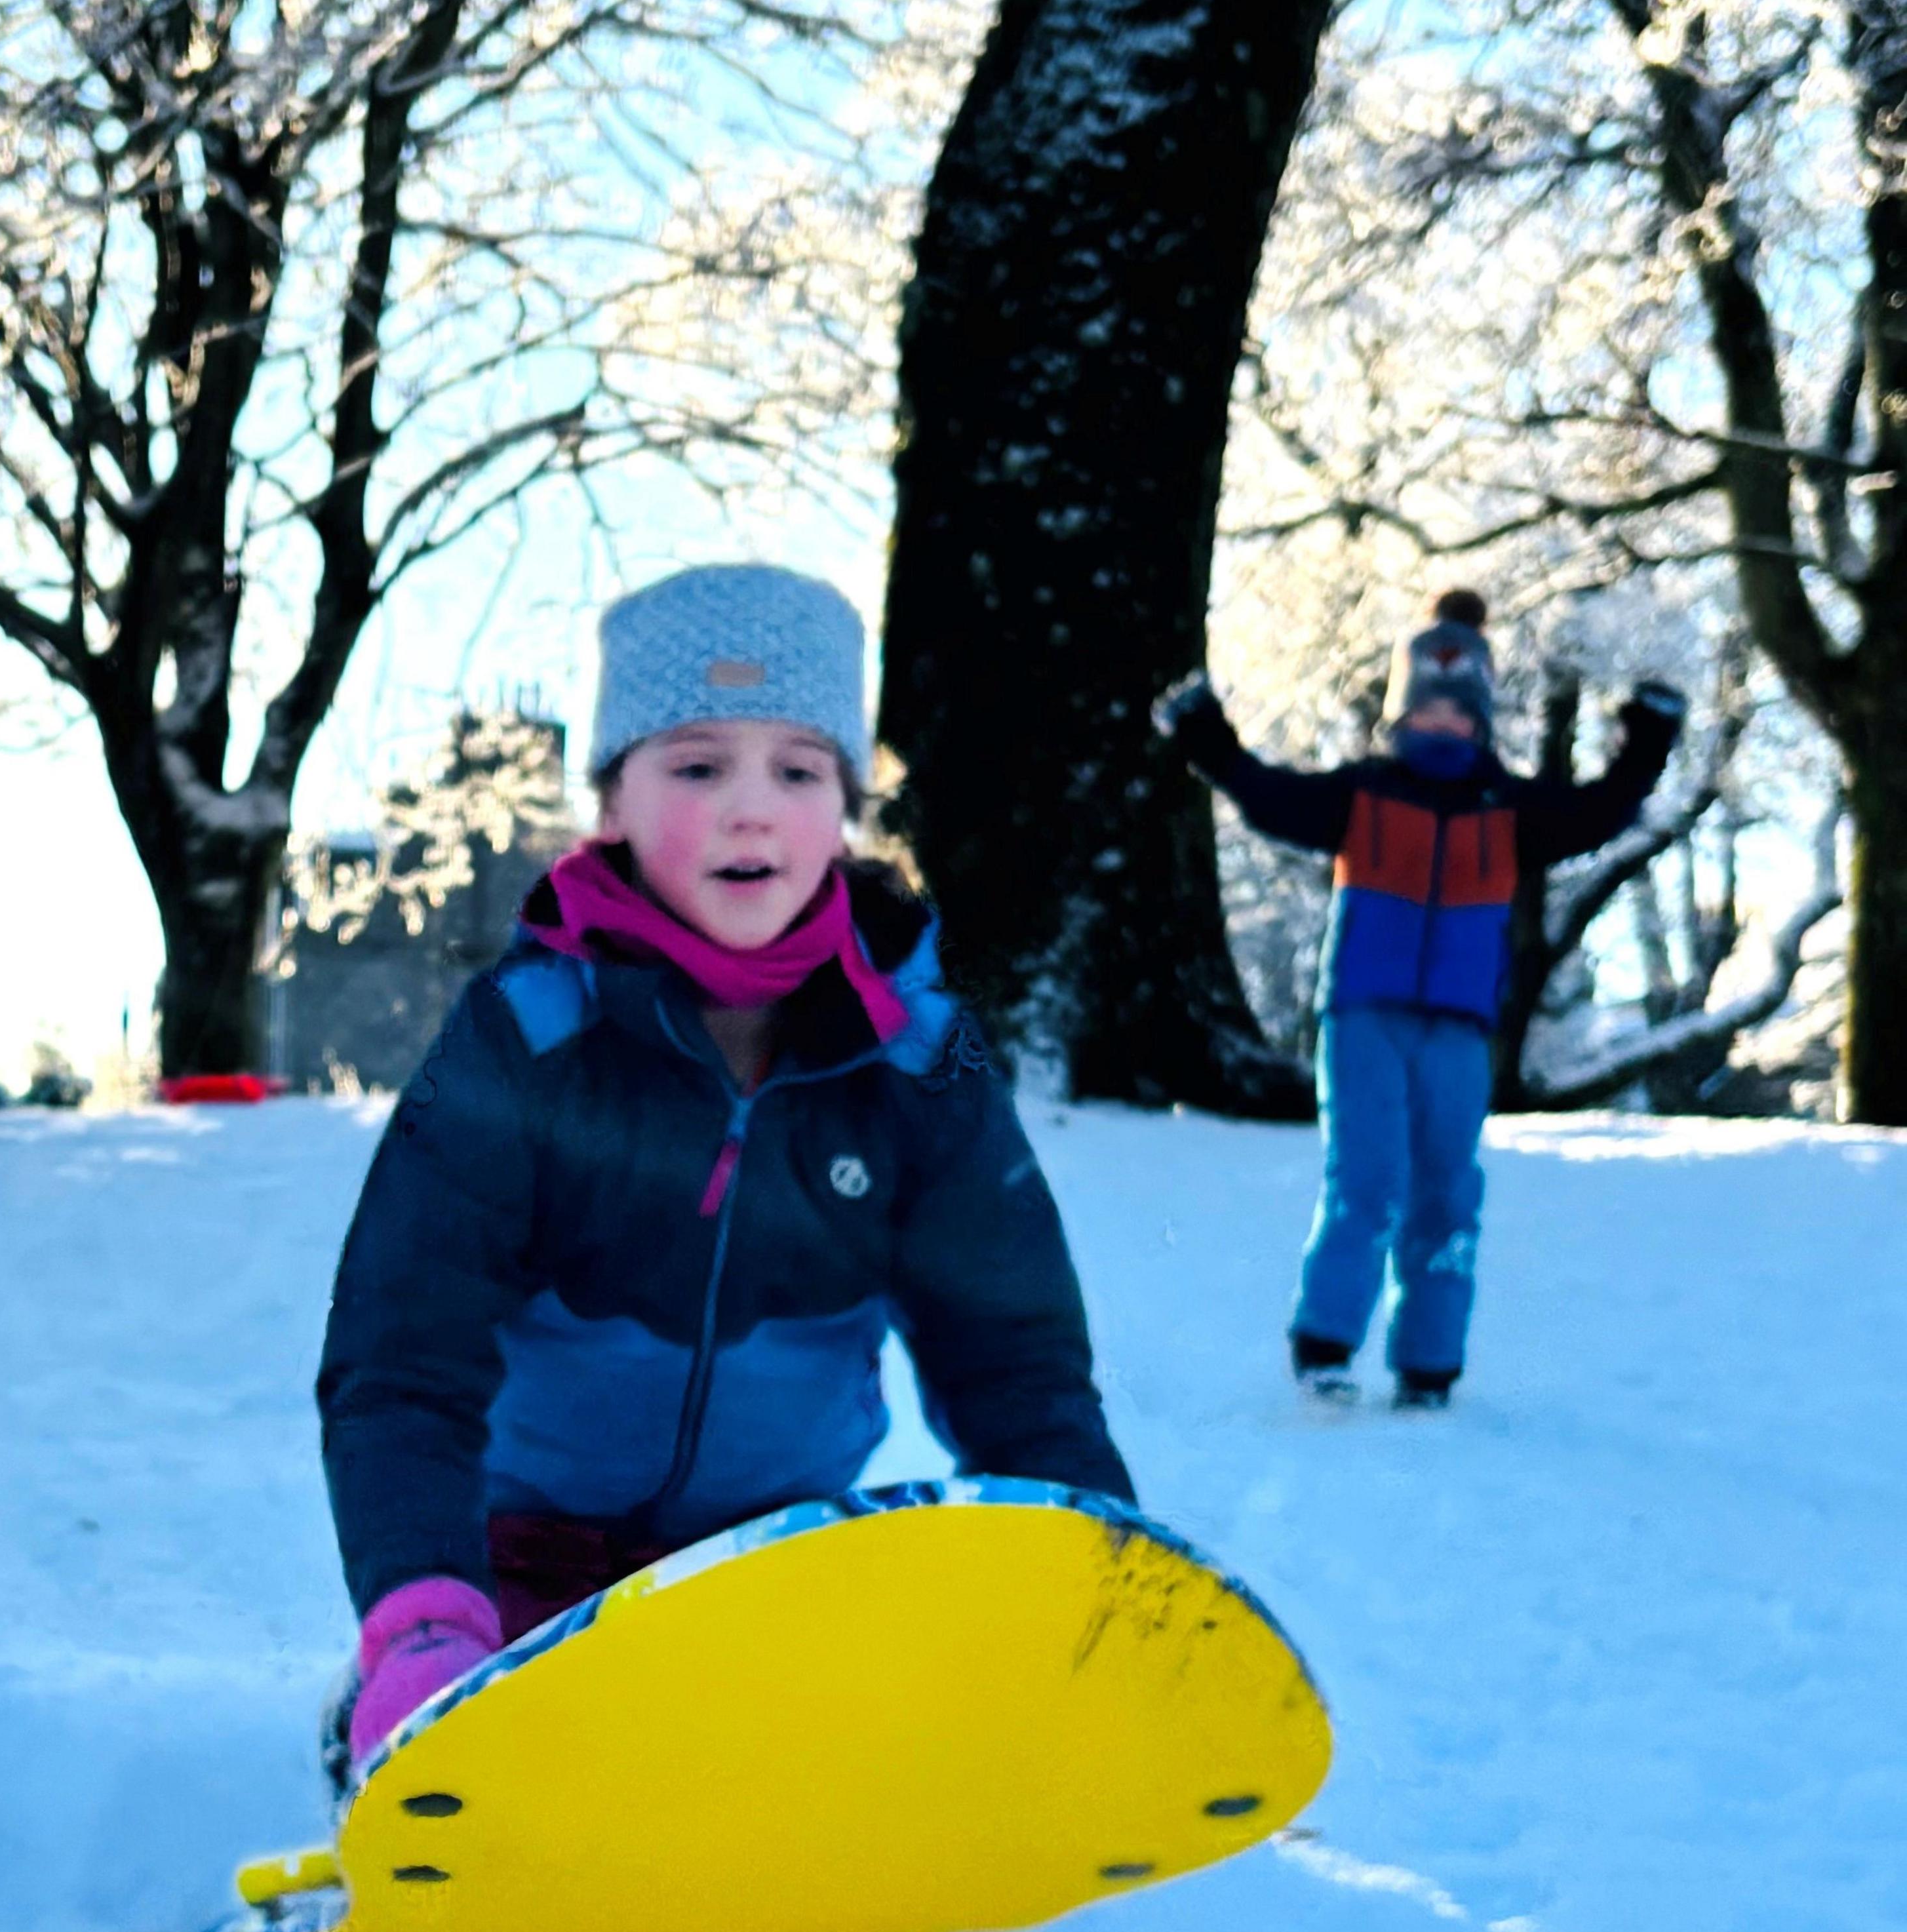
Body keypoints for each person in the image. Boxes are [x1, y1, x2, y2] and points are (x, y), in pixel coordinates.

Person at [316, 563, 1133, 1783]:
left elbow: (1012, 1357)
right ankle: (418, 1725)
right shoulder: (528, 1039)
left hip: (771, 1558)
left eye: (799, 771)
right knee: (545, 1749)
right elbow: (401, 1357)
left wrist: (1100, 1588)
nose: (753, 810)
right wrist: (426, 1619)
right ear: (612, 807)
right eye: (697, 766)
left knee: (842, 1738)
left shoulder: (917, 1062)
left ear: (849, 808)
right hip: (529, 1552)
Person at [1157, 589, 1685, 1408]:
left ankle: (1429, 1364)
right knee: (1365, 1180)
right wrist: (1206, 737)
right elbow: (1267, 794)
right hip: (1365, 1014)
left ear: (1481, 722)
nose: (1443, 726)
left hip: (1461, 1028)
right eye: (1426, 712)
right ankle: (1326, 1345)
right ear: (1402, 719)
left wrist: (1647, 740)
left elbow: (1602, 811)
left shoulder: (1510, 810)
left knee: (1446, 1190)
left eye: (1459, 714)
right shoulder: (1363, 794)